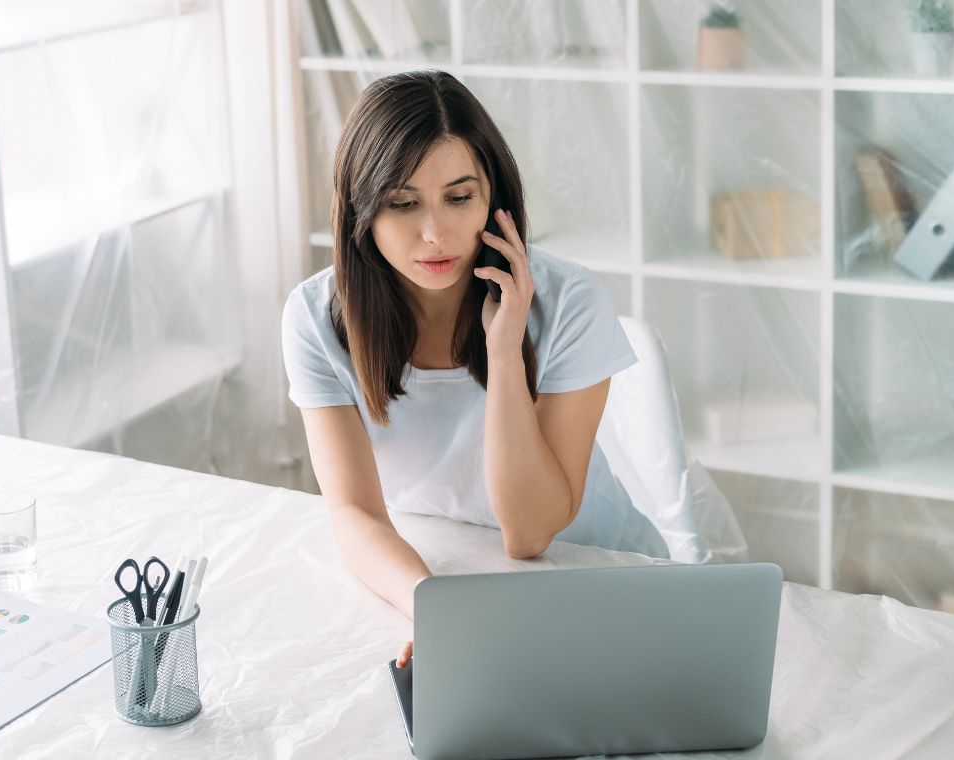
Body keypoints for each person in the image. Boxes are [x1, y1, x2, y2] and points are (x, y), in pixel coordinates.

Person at [280, 70, 669, 667]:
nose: (435, 233)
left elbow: (532, 534)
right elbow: (353, 511)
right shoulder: (317, 318)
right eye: (402, 203)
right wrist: (431, 604)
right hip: (460, 565)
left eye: (459, 198)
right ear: (362, 211)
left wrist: (505, 348)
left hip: (600, 571)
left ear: (494, 197)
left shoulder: (569, 302)